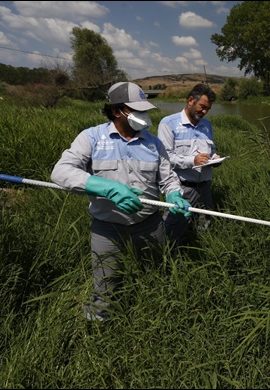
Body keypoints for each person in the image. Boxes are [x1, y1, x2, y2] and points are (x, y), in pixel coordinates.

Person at [51, 81, 192, 322]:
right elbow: (61, 172)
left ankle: (152, 319)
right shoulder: (92, 138)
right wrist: (105, 187)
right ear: (117, 111)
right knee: (105, 287)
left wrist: (174, 194)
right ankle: (99, 326)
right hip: (107, 230)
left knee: (154, 275)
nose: (144, 116)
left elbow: (167, 178)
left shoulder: (153, 143)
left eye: (144, 110)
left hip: (151, 225)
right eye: (137, 111)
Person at [158, 83, 221, 246]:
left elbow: (211, 149)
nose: (204, 112)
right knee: (173, 227)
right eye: (202, 106)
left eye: (208, 109)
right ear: (191, 100)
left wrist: (214, 158)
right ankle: (169, 255)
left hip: (205, 186)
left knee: (205, 223)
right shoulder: (168, 123)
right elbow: (165, 158)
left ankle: (201, 247)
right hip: (182, 187)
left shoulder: (206, 125)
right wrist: (192, 161)